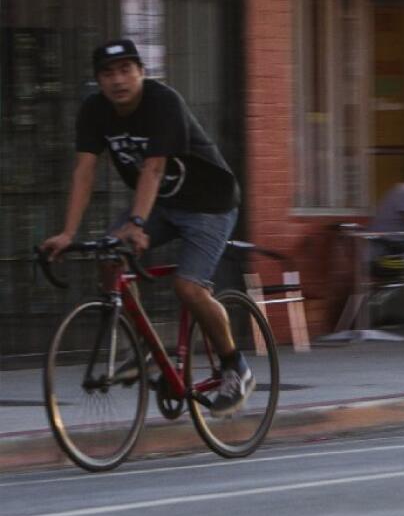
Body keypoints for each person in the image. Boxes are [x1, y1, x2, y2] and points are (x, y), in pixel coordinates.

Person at [40, 39, 250, 416]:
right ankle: (143, 351)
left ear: (141, 72)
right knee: (109, 254)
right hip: (163, 204)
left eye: (125, 70)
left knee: (188, 287)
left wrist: (136, 223)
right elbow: (84, 172)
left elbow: (153, 168)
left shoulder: (162, 102)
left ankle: (236, 366)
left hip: (210, 205)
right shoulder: (94, 110)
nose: (117, 80)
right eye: (107, 73)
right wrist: (68, 233)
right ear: (98, 80)